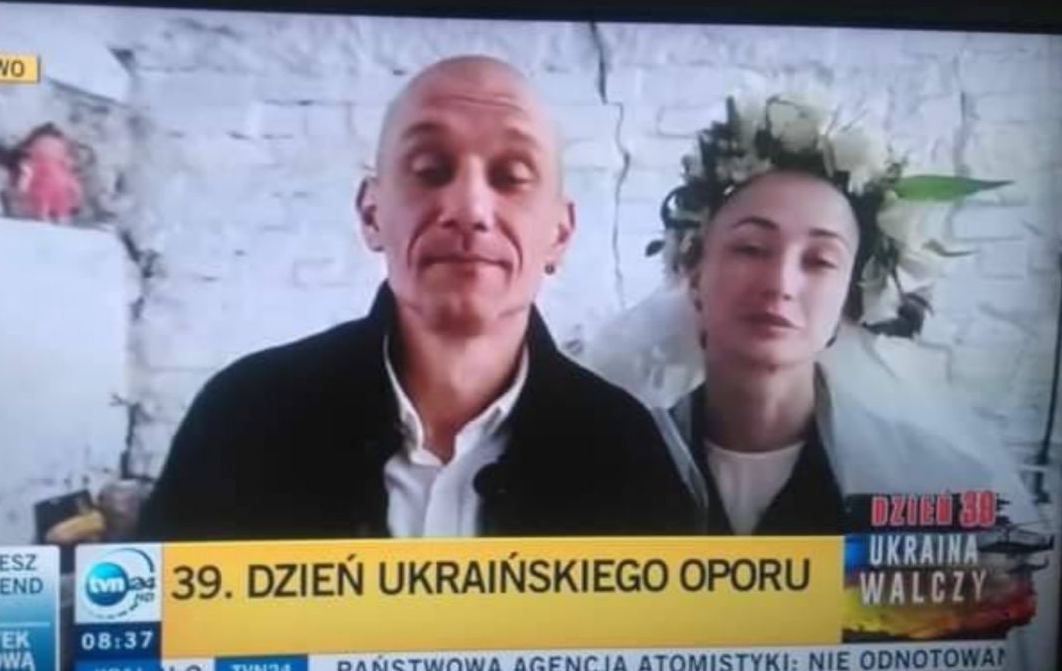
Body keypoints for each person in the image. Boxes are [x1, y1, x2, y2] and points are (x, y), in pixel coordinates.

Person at [137, 55, 694, 541]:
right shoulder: (243, 419)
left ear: (560, 233)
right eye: (431, 170)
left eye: (511, 176)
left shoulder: (626, 450)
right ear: (371, 213)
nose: (469, 209)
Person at [588, 95, 1040, 536]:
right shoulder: (608, 465)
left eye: (820, 260)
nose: (780, 284)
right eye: (751, 248)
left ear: (852, 298)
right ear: (693, 269)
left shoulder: (934, 484)